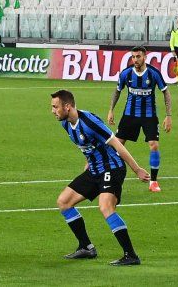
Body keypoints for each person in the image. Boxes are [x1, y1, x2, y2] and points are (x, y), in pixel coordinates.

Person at [51, 89, 150, 266]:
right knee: (64, 201)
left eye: (55, 107)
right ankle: (86, 247)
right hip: (95, 169)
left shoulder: (90, 122)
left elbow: (117, 145)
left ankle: (131, 255)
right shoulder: (66, 124)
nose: (53, 111)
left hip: (112, 168)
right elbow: (87, 145)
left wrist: (137, 169)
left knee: (105, 207)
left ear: (67, 107)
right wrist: (88, 162)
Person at [106, 46, 172, 193]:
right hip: (129, 115)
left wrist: (168, 116)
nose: (135, 59)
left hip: (149, 115)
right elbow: (117, 91)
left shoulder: (154, 73)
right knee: (116, 145)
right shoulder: (126, 73)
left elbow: (166, 93)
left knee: (154, 145)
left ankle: (153, 181)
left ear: (145, 57)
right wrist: (111, 110)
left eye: (138, 56)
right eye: (133, 57)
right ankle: (109, 176)